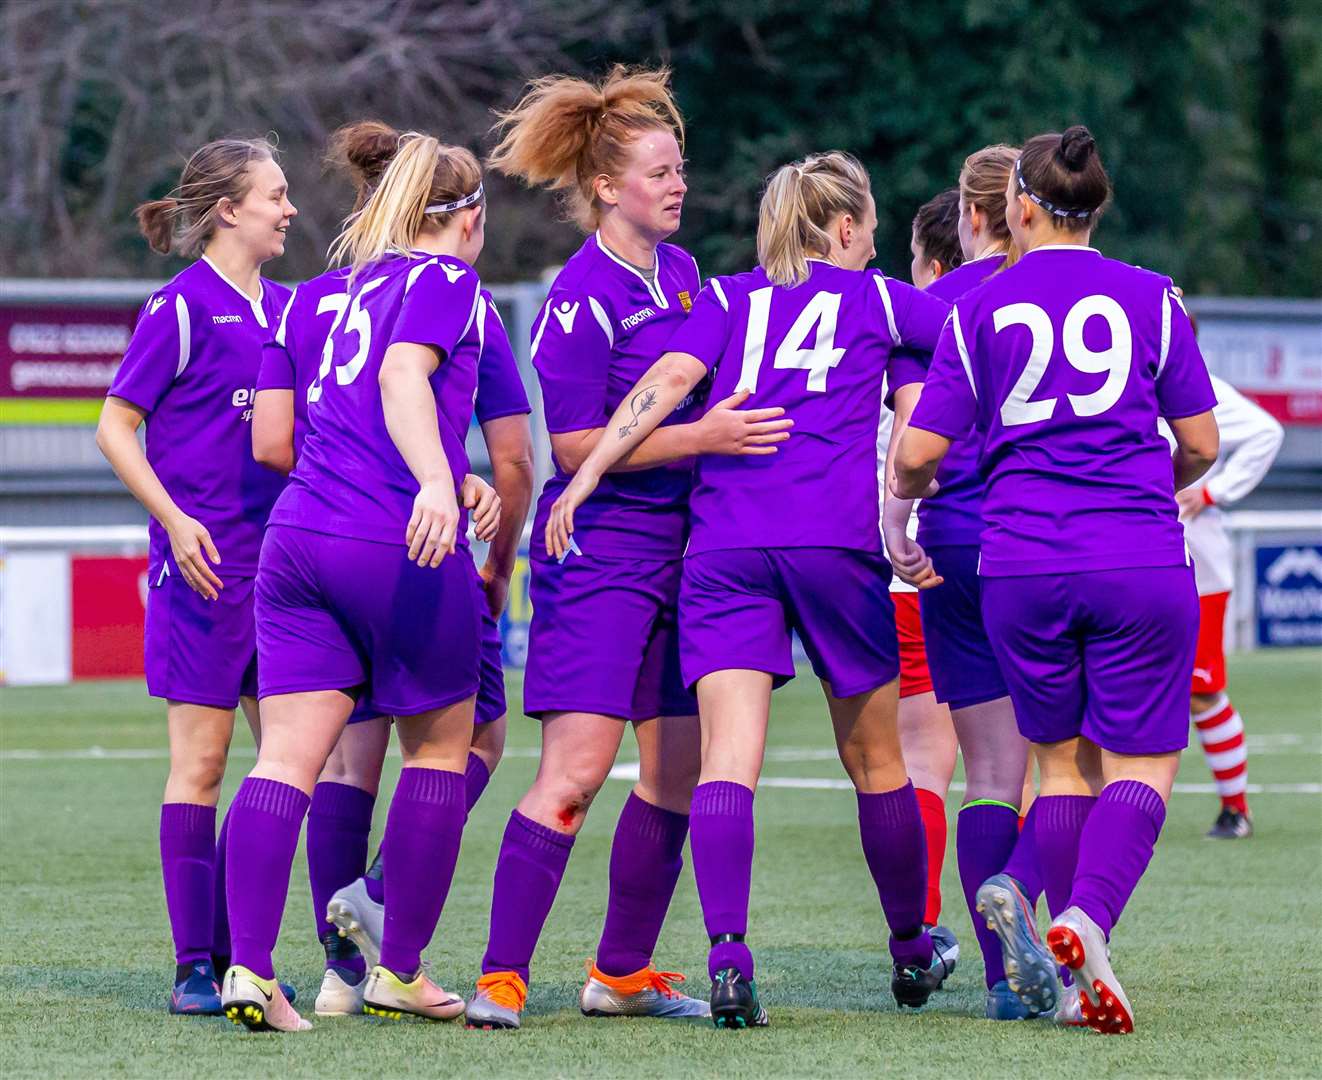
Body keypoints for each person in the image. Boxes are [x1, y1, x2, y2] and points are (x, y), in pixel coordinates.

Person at [548, 151, 958, 1028]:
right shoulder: (882, 298)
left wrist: (587, 477)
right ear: (847, 229)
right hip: (832, 548)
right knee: (877, 762)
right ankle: (911, 952)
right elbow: (970, 337)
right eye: (872, 227)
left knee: (727, 762)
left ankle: (729, 959)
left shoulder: (728, 298)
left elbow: (664, 386)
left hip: (725, 549)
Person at [465, 66, 787, 1030]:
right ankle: (499, 975)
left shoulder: (686, 277)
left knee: (675, 775)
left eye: (680, 168)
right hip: (601, 554)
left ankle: (621, 971)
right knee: (571, 773)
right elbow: (571, 448)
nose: (677, 184)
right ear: (607, 189)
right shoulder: (578, 295)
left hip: (689, 557)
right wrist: (706, 437)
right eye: (658, 171)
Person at [895, 125, 1219, 1034]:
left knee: (1058, 765)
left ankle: (1069, 965)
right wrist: (1140, 490)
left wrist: (908, 488)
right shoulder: (1153, 298)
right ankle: (1087, 920)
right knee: (1145, 761)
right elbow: (1201, 443)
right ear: (1097, 210)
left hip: (1021, 565)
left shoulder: (974, 310)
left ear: (1018, 208)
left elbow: (918, 452)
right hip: (1137, 560)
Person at [219, 131, 496, 1032]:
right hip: (398, 544)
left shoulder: (315, 297)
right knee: (441, 751)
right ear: (468, 219)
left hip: (297, 538)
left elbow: (273, 437)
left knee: (284, 760)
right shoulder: (449, 282)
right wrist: (433, 481)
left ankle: (251, 972)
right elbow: (402, 375)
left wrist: (435, 472)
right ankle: (400, 972)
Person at [96, 137, 297, 1016]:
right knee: (204, 764)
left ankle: (274, 953)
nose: (290, 210)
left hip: (289, 572)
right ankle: (194, 964)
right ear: (229, 210)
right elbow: (113, 427)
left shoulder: (290, 311)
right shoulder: (178, 309)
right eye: (276, 196)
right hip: (207, 571)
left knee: (294, 763)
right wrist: (175, 523)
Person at [889, 146, 1055, 1021]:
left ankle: (1001, 981)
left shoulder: (930, 306)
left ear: (969, 213)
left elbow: (915, 434)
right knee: (1074, 770)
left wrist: (895, 515)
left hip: (948, 546)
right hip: (1045, 545)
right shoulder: (1059, 294)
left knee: (987, 772)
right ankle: (1065, 934)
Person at [889, 187, 962, 951]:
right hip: (995, 553)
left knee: (920, 761)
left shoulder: (907, 330)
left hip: (906, 566)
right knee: (1029, 765)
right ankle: (1026, 935)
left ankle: (923, 926)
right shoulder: (994, 317)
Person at [1175, 369, 1283, 838]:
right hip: (1125, 560)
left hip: (1197, 564)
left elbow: (1266, 431)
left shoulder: (1195, 382)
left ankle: (1235, 809)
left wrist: (1213, 491)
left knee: (1201, 689)